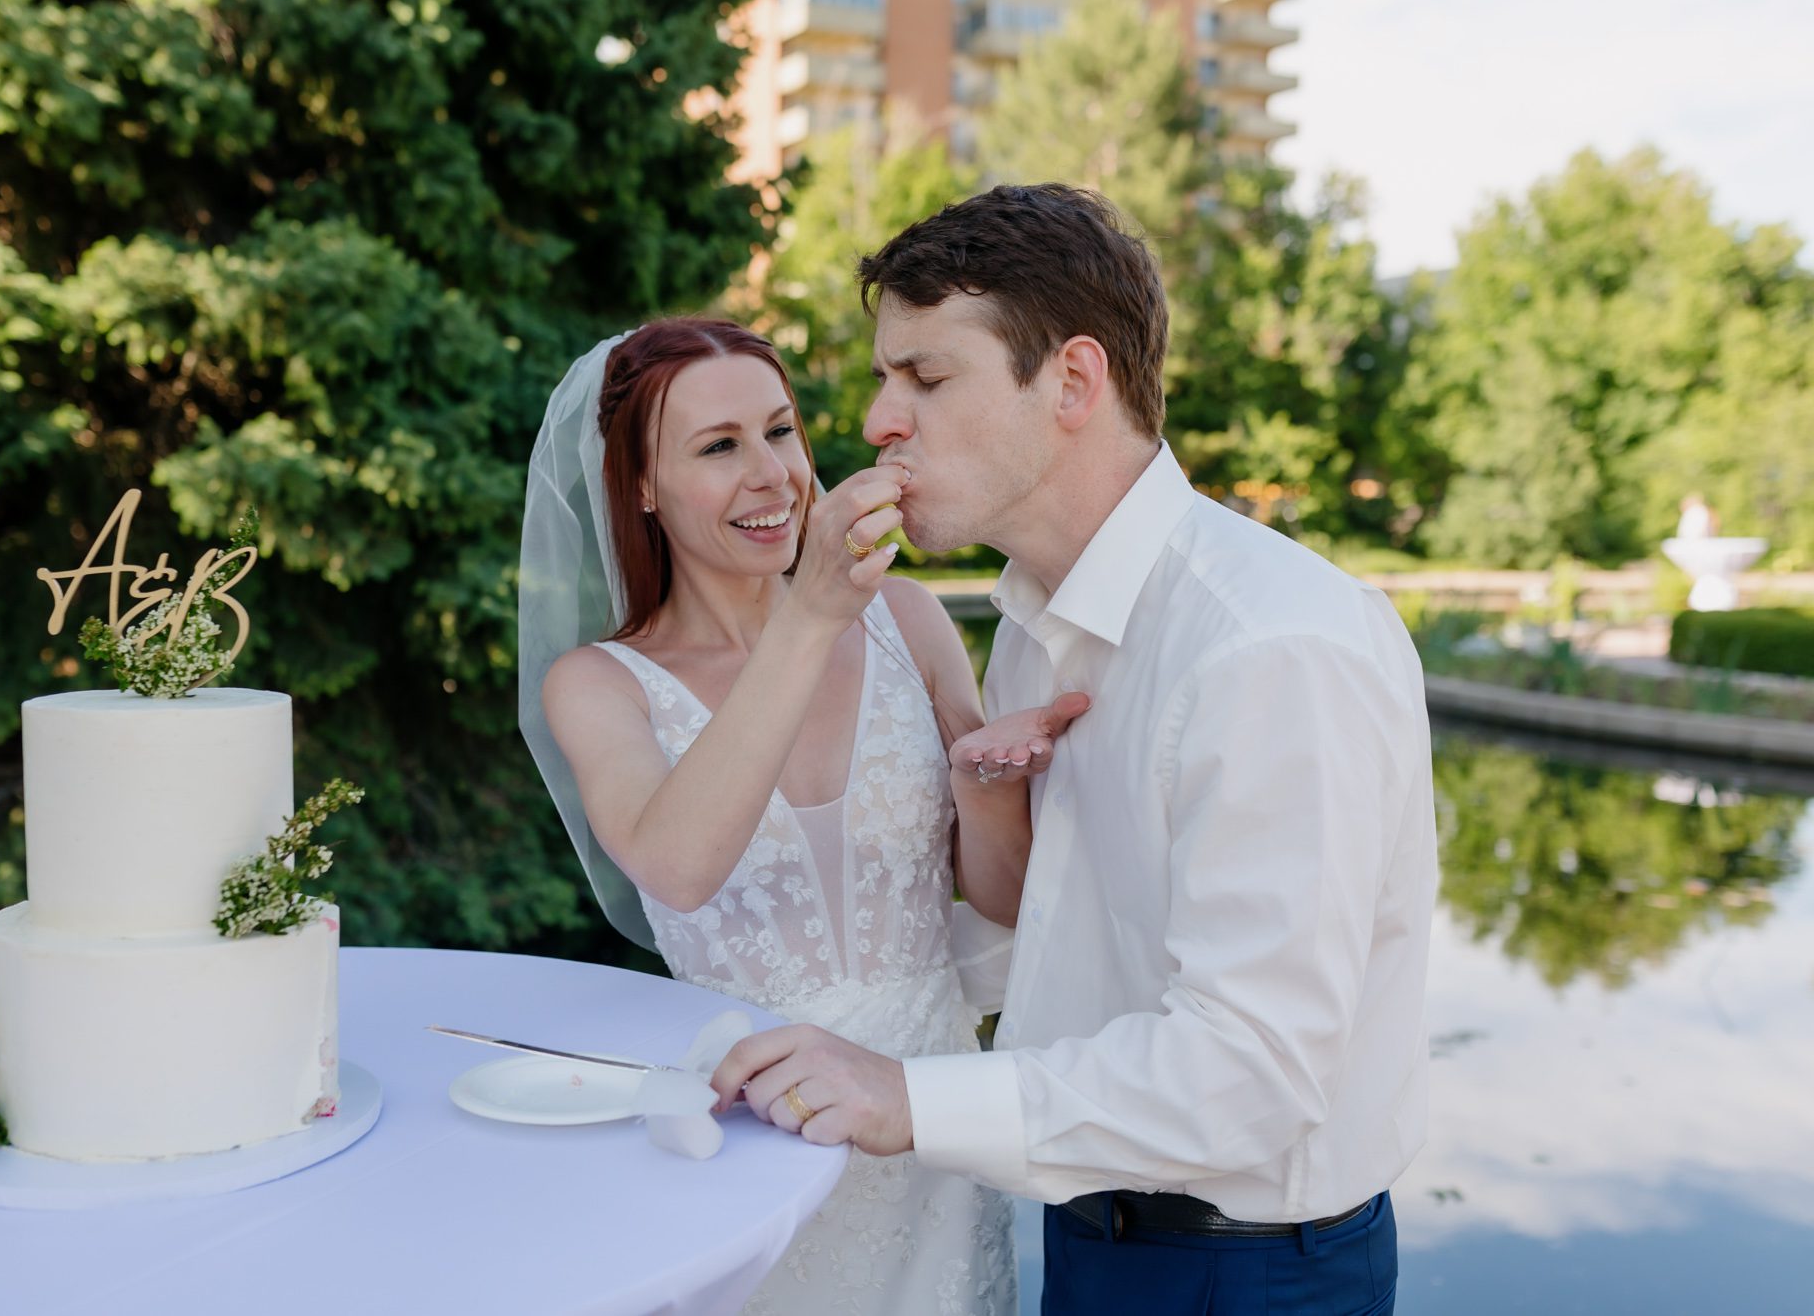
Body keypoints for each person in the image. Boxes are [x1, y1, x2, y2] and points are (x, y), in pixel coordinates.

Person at [710, 185, 1440, 1316]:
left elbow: (1251, 1075)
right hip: (1092, 1228)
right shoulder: (1035, 629)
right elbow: (1068, 931)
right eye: (880, 377)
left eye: (925, 376)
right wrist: (818, 1002)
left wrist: (909, 1096)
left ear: (1072, 381)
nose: (875, 422)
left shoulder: (1269, 648)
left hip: (1246, 1273)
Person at [518, 317, 1078, 1314]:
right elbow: (676, 863)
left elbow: (999, 894)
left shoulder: (907, 622)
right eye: (717, 446)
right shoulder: (600, 685)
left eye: (779, 431)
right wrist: (813, 611)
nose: (771, 473)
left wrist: (986, 784)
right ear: (639, 484)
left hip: (930, 1127)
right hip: (750, 1139)